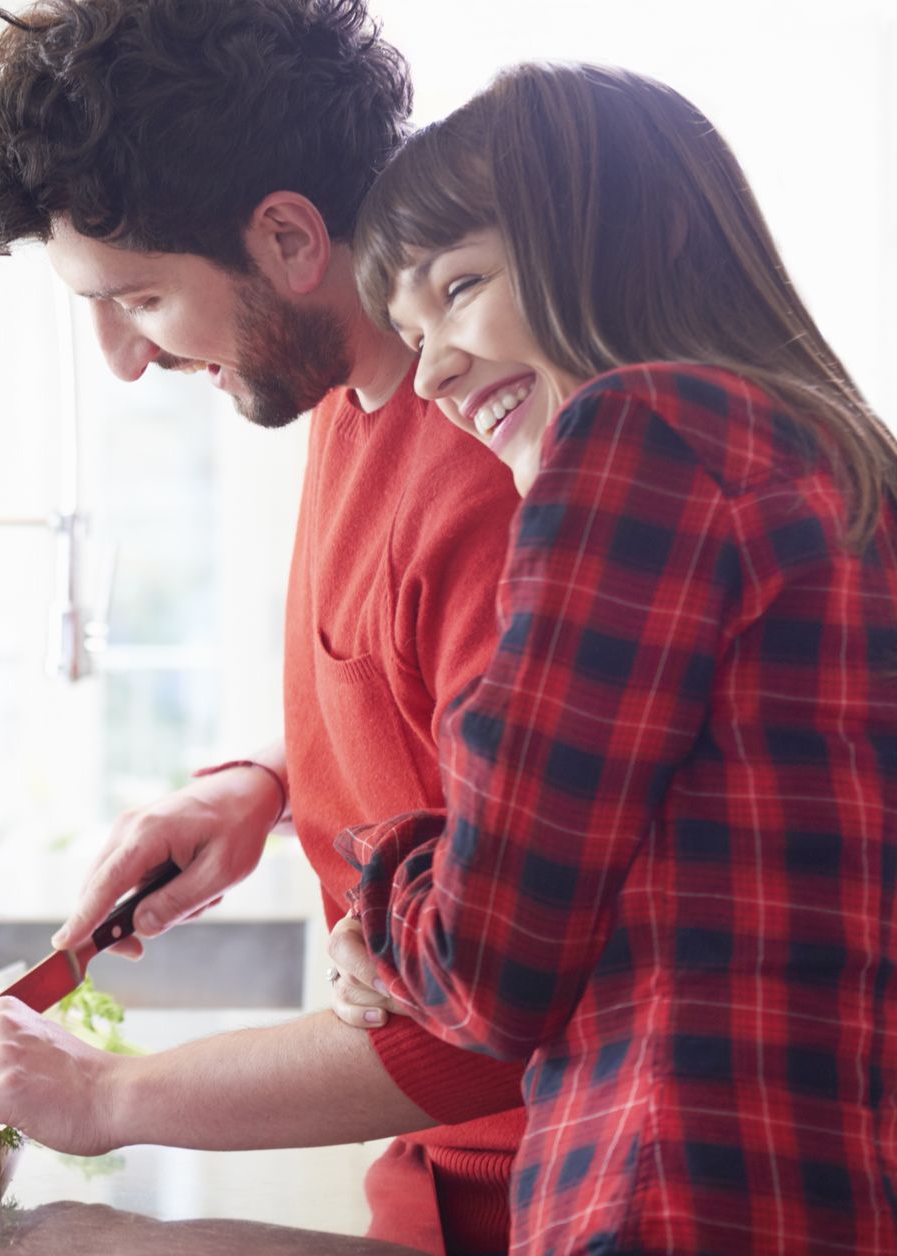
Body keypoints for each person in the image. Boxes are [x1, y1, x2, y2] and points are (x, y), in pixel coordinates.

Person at [0, 3, 528, 1249]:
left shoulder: (486, 469)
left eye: (137, 297)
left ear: (290, 236)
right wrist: (271, 784)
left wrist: (102, 1090)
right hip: (431, 1189)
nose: (126, 359)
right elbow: (453, 726)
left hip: (539, 1201)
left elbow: (483, 1019)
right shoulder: (347, 398)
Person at [322, 62, 897, 1252]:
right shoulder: (852, 483)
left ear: (646, 234)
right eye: (411, 332)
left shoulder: (639, 435)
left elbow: (489, 971)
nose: (429, 373)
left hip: (667, 1196)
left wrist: (380, 886)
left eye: (462, 286)